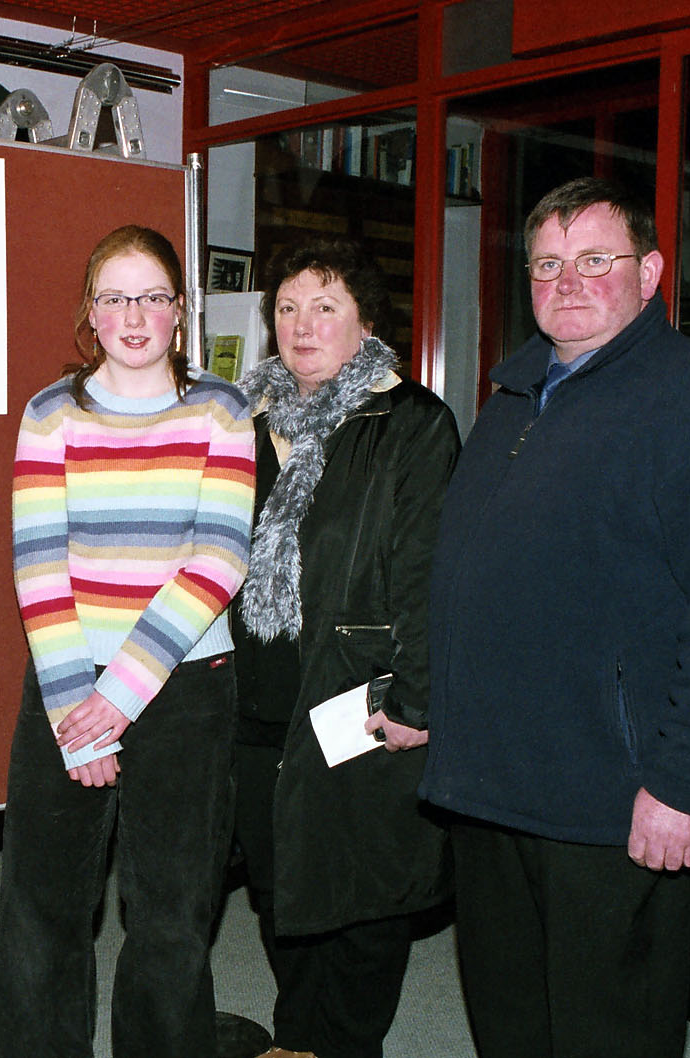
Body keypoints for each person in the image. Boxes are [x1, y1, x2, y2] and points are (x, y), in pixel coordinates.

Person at [420, 176, 690, 1058]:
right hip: (492, 784)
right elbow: (476, 577)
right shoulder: (513, 398)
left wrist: (685, 783)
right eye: (548, 263)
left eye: (596, 260)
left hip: (615, 797)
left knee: (609, 1032)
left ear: (652, 272)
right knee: (510, 1020)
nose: (568, 281)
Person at [0, 224, 257, 1058]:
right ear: (90, 313)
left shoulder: (224, 408)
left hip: (185, 687)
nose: (133, 315)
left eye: (152, 296)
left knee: (173, 916)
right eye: (114, 297)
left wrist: (120, 699)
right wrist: (80, 705)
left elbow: (219, 558)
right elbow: (38, 562)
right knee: (41, 911)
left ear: (180, 310)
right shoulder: (50, 413)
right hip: (66, 679)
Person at [231, 237, 458, 1058]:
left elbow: (429, 573)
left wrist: (417, 699)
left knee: (364, 892)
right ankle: (297, 1039)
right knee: (282, 884)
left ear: (365, 323)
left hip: (358, 691)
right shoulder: (241, 421)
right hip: (256, 695)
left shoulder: (411, 423)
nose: (303, 323)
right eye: (288, 307)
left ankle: (348, 1045)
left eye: (325, 305)